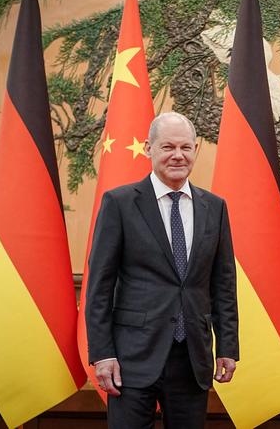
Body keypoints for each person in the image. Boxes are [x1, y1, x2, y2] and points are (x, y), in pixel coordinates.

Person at [86, 112, 238, 428]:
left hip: (192, 358)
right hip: (131, 359)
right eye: (167, 146)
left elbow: (223, 284)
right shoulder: (120, 203)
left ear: (196, 149)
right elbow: (99, 285)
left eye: (185, 147)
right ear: (148, 148)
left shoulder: (215, 207)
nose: (178, 155)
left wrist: (227, 347)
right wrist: (102, 354)